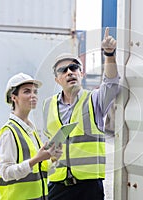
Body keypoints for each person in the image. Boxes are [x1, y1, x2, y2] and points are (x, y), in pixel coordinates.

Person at [43, 27, 119, 200]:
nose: (69, 72)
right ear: (57, 79)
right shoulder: (47, 106)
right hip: (57, 186)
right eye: (63, 70)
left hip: (88, 188)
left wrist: (109, 54)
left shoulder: (94, 100)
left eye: (74, 67)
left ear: (81, 73)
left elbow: (112, 83)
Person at [0, 72, 63, 200]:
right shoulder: (9, 132)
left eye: (35, 92)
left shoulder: (31, 130)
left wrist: (52, 158)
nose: (33, 96)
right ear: (14, 97)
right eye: (27, 92)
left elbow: (38, 169)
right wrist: (36, 159)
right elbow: (6, 173)